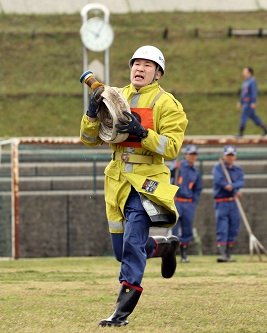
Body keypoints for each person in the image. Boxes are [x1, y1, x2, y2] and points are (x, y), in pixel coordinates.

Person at [80, 45, 188, 327]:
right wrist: (91, 115)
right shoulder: (116, 97)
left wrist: (143, 133)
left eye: (147, 65)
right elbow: (89, 139)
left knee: (130, 245)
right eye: (136, 63)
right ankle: (164, 247)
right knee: (122, 251)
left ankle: (120, 313)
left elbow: (172, 147)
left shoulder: (168, 104)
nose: (139, 68)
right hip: (116, 183)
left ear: (158, 73)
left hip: (146, 183)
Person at [169, 144, 202, 263]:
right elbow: (168, 176)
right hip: (177, 200)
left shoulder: (195, 172)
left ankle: (184, 255)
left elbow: (198, 189)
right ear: (186, 155)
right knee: (175, 228)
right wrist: (173, 169)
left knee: (187, 229)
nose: (192, 157)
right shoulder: (178, 165)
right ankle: (172, 254)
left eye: (194, 154)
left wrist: (194, 202)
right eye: (190, 154)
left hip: (188, 203)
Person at [212, 145, 245, 263]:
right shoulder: (218, 168)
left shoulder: (238, 170)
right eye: (228, 155)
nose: (230, 158)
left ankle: (229, 254)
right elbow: (220, 181)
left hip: (234, 202)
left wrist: (233, 186)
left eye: (232, 155)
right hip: (222, 203)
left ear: (235, 156)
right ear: (224, 156)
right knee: (222, 228)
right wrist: (229, 186)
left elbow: (241, 181)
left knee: (234, 227)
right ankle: (222, 254)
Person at [235, 67, 267, 138]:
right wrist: (241, 102)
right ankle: (265, 129)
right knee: (253, 117)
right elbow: (243, 93)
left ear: (249, 73)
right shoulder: (245, 81)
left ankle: (240, 132)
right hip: (245, 102)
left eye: (245, 72)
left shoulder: (252, 81)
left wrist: (253, 102)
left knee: (243, 116)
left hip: (249, 102)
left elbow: (254, 92)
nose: (243, 73)